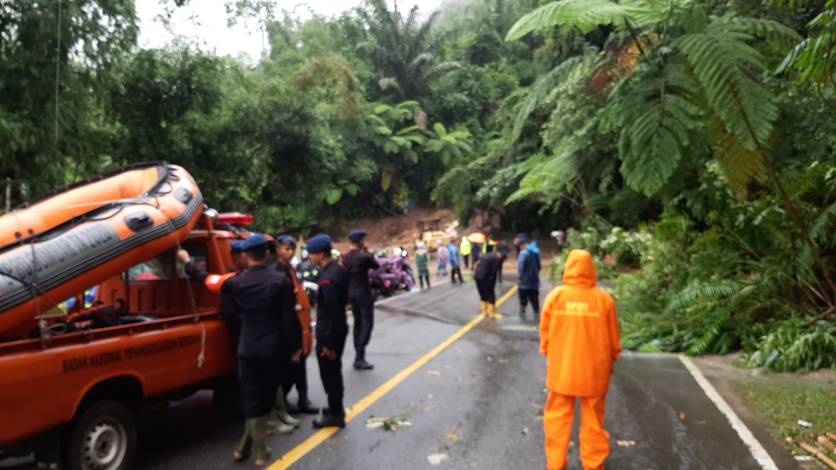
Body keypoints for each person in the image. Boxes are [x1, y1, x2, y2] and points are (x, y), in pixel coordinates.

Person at [540, 249, 622, 470]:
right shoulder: (603, 299)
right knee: (594, 420)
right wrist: (613, 357)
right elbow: (614, 337)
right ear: (591, 269)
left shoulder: (556, 297)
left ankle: (556, 464)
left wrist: (552, 354)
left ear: (568, 268)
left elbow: (545, 336)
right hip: (595, 372)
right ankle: (593, 465)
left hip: (562, 371)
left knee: (557, 419)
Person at [224, 234, 302, 465]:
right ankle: (260, 453)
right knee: (265, 401)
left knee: (252, 400)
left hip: (247, 349)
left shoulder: (236, 283)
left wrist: (187, 262)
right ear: (267, 253)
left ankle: (243, 450)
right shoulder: (279, 281)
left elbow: (208, 279)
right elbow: (289, 319)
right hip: (272, 350)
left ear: (245, 255)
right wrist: (296, 347)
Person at [307, 234, 349, 428]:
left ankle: (335, 414)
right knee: (334, 372)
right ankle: (335, 408)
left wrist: (327, 344)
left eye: (311, 254)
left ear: (321, 254)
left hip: (331, 332)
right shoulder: (336, 269)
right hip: (338, 327)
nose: (308, 257)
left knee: (330, 374)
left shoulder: (328, 277)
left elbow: (330, 312)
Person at [275, 235, 319, 415]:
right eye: (286, 248)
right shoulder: (277, 272)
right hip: (288, 327)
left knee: (300, 364)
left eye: (292, 248)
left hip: (300, 325)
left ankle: (303, 398)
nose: (290, 252)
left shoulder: (290, 269)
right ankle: (283, 402)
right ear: (277, 248)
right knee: (290, 366)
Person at [341, 230, 379, 370]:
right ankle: (359, 356)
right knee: (367, 324)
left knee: (357, 323)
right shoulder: (364, 257)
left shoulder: (344, 258)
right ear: (361, 242)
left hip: (351, 294)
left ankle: (359, 355)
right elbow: (376, 266)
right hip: (363, 294)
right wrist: (368, 252)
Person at [515, 234, 541, 323]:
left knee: (523, 298)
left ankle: (522, 313)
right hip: (534, 281)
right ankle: (536, 314)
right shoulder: (536, 252)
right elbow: (539, 266)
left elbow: (521, 266)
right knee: (534, 298)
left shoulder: (523, 253)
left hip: (524, 282)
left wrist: (519, 277)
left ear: (521, 245)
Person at [473, 246, 505, 319]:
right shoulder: (496, 258)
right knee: (490, 294)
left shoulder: (484, 256)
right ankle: (492, 313)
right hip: (486, 277)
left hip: (477, 276)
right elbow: (494, 272)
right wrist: (492, 283)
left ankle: (484, 313)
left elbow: (477, 264)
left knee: (482, 294)